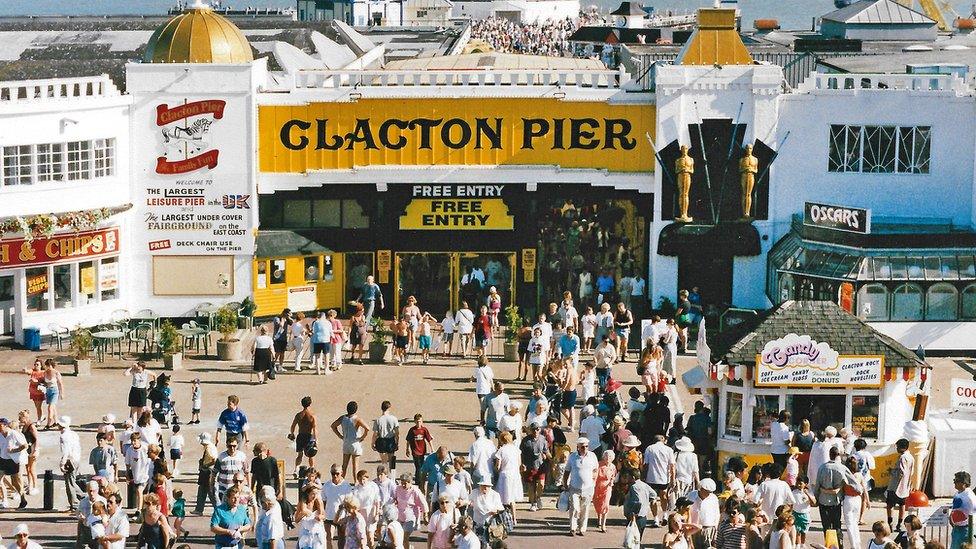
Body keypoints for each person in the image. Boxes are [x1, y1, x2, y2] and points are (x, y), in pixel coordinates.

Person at [816, 446, 860, 547]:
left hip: (823, 500)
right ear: (838, 455)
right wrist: (859, 490)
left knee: (826, 526)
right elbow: (853, 482)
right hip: (836, 501)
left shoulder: (822, 467)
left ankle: (829, 546)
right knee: (837, 525)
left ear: (829, 454)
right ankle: (839, 546)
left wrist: (816, 497)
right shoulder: (842, 467)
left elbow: (817, 485)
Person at [564, 438, 598, 537]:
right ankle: (572, 528)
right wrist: (565, 484)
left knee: (585, 508)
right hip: (574, 487)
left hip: (588, 487)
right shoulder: (572, 457)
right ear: (578, 447)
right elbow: (567, 471)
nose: (585, 448)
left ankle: (582, 529)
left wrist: (594, 480)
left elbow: (596, 469)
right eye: (582, 446)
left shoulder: (592, 456)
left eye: (586, 446)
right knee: (574, 507)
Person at [643, 434, 675, 528]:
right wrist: (672, 479)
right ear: (663, 440)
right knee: (663, 496)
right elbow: (672, 466)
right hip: (664, 477)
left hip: (651, 477)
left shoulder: (649, 448)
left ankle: (655, 518)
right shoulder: (669, 450)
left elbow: (646, 464)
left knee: (653, 499)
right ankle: (665, 514)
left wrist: (643, 477)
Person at [331, 401, 370, 478]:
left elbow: (333, 426)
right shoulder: (357, 419)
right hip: (355, 443)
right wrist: (362, 437)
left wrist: (340, 435)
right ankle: (356, 482)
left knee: (344, 466)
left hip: (346, 443)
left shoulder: (342, 418)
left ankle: (341, 480)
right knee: (355, 466)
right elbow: (367, 428)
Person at [493, 431, 522, 524]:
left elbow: (498, 466)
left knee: (501, 497)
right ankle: (514, 518)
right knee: (512, 498)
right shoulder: (516, 449)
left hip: (505, 475)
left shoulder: (501, 450)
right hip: (515, 474)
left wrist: (495, 469)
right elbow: (519, 464)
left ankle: (501, 518)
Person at [393, 473, 428, 549]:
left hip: (411, 517)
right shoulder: (398, 488)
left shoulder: (415, 490)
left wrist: (425, 516)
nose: (403, 485)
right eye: (402, 483)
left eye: (405, 483)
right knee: (399, 538)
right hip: (400, 516)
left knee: (404, 538)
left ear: (410, 482)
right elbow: (395, 498)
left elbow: (423, 502)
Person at [211, 485, 252, 549]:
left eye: (238, 497)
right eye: (233, 498)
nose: (236, 500)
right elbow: (213, 527)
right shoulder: (219, 510)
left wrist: (240, 529)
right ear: (228, 498)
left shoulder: (242, 509)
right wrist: (228, 531)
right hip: (223, 546)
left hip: (238, 546)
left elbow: (248, 525)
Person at [887, 438, 914, 531]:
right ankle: (899, 524)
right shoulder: (911, 457)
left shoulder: (902, 457)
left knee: (890, 505)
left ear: (902, 447)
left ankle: (890, 523)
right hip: (905, 486)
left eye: (898, 447)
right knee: (902, 505)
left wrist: (892, 472)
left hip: (896, 486)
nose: (897, 449)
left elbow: (901, 472)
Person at [322, 465, 352, 549]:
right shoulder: (327, 485)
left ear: (341, 473)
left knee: (342, 539)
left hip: (341, 517)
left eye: (337, 473)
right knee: (328, 538)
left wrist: (348, 516)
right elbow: (323, 501)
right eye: (332, 473)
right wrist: (322, 513)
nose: (335, 476)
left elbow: (349, 503)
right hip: (329, 516)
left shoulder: (346, 486)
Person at [213, 438, 249, 506]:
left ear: (237, 445)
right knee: (224, 507)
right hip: (224, 487)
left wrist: (249, 486)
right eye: (230, 446)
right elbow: (214, 472)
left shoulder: (242, 456)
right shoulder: (221, 457)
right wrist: (212, 484)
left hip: (238, 488)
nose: (232, 448)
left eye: (234, 446)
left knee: (239, 506)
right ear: (226, 445)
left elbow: (247, 472)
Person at [844, 456, 869, 549]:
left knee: (849, 524)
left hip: (848, 499)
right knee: (855, 523)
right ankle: (857, 543)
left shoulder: (846, 474)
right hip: (857, 500)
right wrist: (867, 500)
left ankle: (853, 545)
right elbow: (864, 489)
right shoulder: (859, 475)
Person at [289, 396, 318, 476]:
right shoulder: (312, 415)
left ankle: (296, 469)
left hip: (300, 436)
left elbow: (293, 426)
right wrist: (316, 440)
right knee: (311, 455)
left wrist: (292, 434)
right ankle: (312, 469)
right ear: (310, 404)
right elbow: (315, 428)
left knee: (299, 455)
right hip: (308, 436)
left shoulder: (298, 415)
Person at [371, 401, 400, 478]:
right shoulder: (393, 418)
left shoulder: (378, 420)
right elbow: (397, 432)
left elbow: (375, 434)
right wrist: (397, 442)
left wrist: (372, 443)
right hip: (390, 440)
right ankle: (392, 477)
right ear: (389, 408)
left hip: (381, 441)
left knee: (384, 461)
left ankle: (384, 476)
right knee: (392, 460)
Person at [689, 478, 720, 549]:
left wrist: (715, 528)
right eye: (707, 491)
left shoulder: (713, 498)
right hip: (694, 527)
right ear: (701, 489)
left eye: (710, 492)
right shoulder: (691, 495)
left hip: (708, 527)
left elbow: (716, 514)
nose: (709, 494)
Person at [295, 482, 326, 549]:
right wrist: (303, 513)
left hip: (317, 532)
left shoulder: (318, 502)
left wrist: (320, 517)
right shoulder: (302, 503)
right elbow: (296, 520)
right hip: (305, 533)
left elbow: (324, 516)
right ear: (308, 493)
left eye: (316, 494)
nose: (315, 496)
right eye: (312, 494)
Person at [950, 471, 976, 549]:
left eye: (956, 480)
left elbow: (973, 513)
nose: (954, 482)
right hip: (957, 528)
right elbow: (956, 508)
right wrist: (951, 517)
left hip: (965, 529)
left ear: (963, 483)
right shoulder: (958, 493)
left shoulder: (970, 497)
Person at [194, 432, 219, 515]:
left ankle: (218, 509)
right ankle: (199, 509)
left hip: (208, 471)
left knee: (211, 491)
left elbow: (214, 460)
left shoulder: (209, 448)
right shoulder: (208, 447)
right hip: (205, 471)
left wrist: (205, 465)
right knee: (202, 490)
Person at [592, 450, 616, 533]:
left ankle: (603, 525)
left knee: (605, 504)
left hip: (607, 487)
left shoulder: (612, 466)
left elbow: (613, 476)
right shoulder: (599, 465)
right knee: (597, 503)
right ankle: (599, 519)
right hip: (598, 487)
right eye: (606, 456)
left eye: (609, 457)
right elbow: (594, 476)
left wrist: (611, 481)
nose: (608, 458)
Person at [405, 414, 433, 484]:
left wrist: (432, 449)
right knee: (418, 466)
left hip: (422, 451)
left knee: (421, 465)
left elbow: (429, 439)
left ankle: (419, 478)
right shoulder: (412, 430)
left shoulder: (424, 430)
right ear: (414, 421)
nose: (419, 423)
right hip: (415, 451)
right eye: (417, 422)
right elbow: (408, 440)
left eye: (420, 421)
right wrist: (407, 449)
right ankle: (418, 481)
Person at [792, 474, 815, 546]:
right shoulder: (794, 492)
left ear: (805, 484)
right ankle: (797, 545)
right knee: (797, 530)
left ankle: (802, 543)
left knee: (804, 531)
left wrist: (807, 493)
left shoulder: (809, 492)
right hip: (795, 513)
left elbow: (814, 503)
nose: (798, 485)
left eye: (800, 483)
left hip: (805, 515)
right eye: (797, 483)